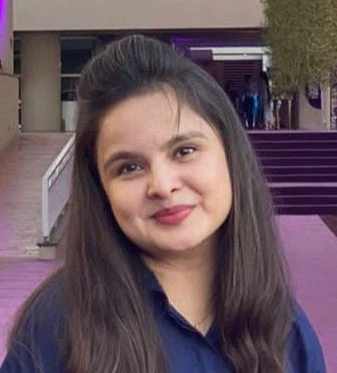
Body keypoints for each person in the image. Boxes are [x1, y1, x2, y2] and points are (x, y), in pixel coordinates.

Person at [0, 35, 326, 373]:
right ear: (101, 188)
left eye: (184, 151)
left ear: (230, 155)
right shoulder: (56, 327)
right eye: (129, 168)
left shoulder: (286, 330)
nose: (163, 186)